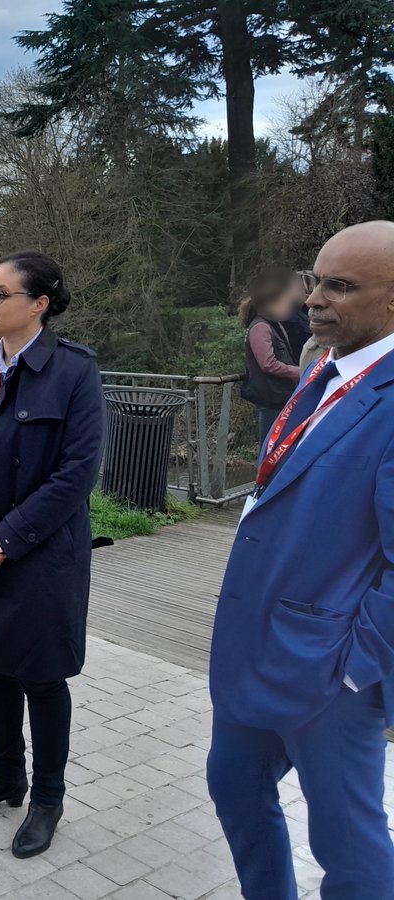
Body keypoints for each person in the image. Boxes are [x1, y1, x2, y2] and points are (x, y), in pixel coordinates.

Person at [207, 221, 394, 899]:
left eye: (341, 286)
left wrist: (355, 666)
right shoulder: (326, 370)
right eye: (315, 280)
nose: (314, 298)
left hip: (331, 670)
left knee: (347, 841)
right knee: (232, 785)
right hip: (258, 646)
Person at [0, 251, 104, 859]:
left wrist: (1, 540)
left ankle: (48, 798)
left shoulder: (75, 372)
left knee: (41, 674)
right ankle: (6, 775)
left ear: (38, 304)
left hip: (39, 554)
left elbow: (77, 474)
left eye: (0, 293)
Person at [240, 267, 304, 441]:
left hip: (279, 396)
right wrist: (300, 371)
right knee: (270, 445)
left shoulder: (273, 324)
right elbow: (268, 364)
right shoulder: (260, 327)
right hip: (271, 398)